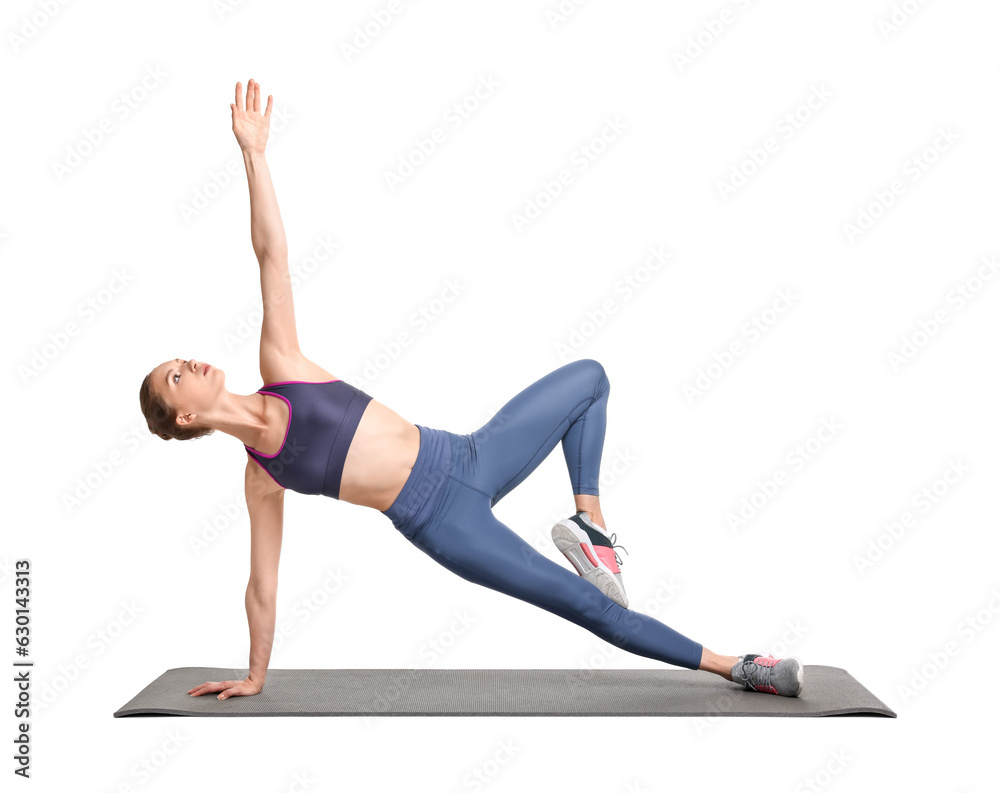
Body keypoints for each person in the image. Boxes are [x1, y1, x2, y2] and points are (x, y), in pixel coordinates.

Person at [138, 79, 804, 703]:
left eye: (179, 360)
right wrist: (256, 672)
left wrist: (254, 154)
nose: (189, 362)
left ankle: (589, 526)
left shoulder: (280, 361)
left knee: (590, 380)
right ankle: (738, 665)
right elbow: (261, 583)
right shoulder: (262, 478)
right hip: (443, 524)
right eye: (176, 375)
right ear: (188, 414)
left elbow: (271, 253)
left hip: (465, 456)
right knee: (587, 606)